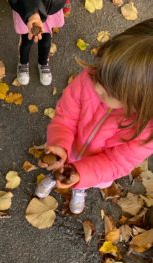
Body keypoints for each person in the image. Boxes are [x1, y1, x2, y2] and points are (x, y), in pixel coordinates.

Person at [36, 18, 153, 214]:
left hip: (96, 167)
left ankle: (79, 189)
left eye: (111, 92)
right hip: (69, 147)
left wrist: (81, 174)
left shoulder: (146, 131)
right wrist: (59, 143)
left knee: (79, 179)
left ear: (140, 103)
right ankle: (53, 177)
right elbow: (65, 117)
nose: (97, 87)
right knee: (59, 169)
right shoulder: (88, 80)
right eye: (100, 75)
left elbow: (117, 162)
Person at [8, 0, 66, 86]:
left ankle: (43, 62)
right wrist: (31, 12)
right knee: (26, 42)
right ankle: (23, 62)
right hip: (26, 9)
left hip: (51, 8)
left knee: (46, 41)